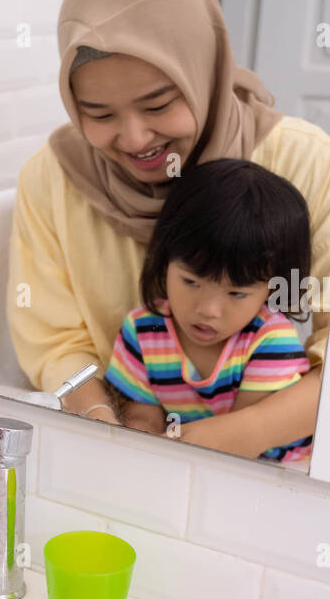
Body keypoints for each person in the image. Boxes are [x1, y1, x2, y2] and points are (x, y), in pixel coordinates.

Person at [8, 0, 330, 459]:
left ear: (202, 72)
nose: (134, 139)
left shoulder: (308, 162)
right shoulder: (52, 178)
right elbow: (55, 342)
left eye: (158, 104)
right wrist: (104, 425)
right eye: (100, 114)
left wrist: (223, 441)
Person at [104, 159, 313, 464]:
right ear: (164, 260)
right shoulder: (143, 331)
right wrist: (142, 443)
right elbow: (141, 413)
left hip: (276, 471)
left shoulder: (270, 341)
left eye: (236, 293)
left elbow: (243, 443)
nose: (208, 310)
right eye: (190, 281)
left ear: (273, 288)